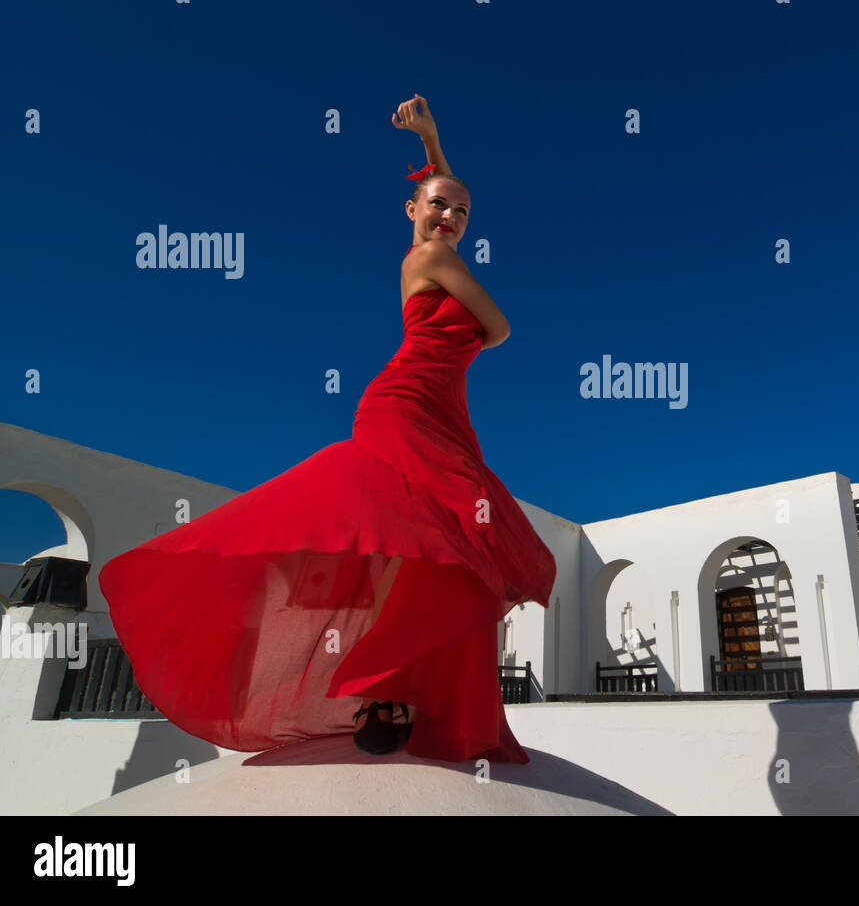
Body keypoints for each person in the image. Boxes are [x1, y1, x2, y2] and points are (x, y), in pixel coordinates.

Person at [97, 93, 556, 764]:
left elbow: (442, 194)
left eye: (462, 210)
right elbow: (502, 327)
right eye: (439, 206)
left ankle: (390, 685)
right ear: (412, 211)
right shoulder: (433, 260)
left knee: (433, 541)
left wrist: (431, 141)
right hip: (406, 403)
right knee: (453, 541)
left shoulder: (425, 251)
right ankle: (384, 680)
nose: (452, 216)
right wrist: (481, 328)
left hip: (444, 415)